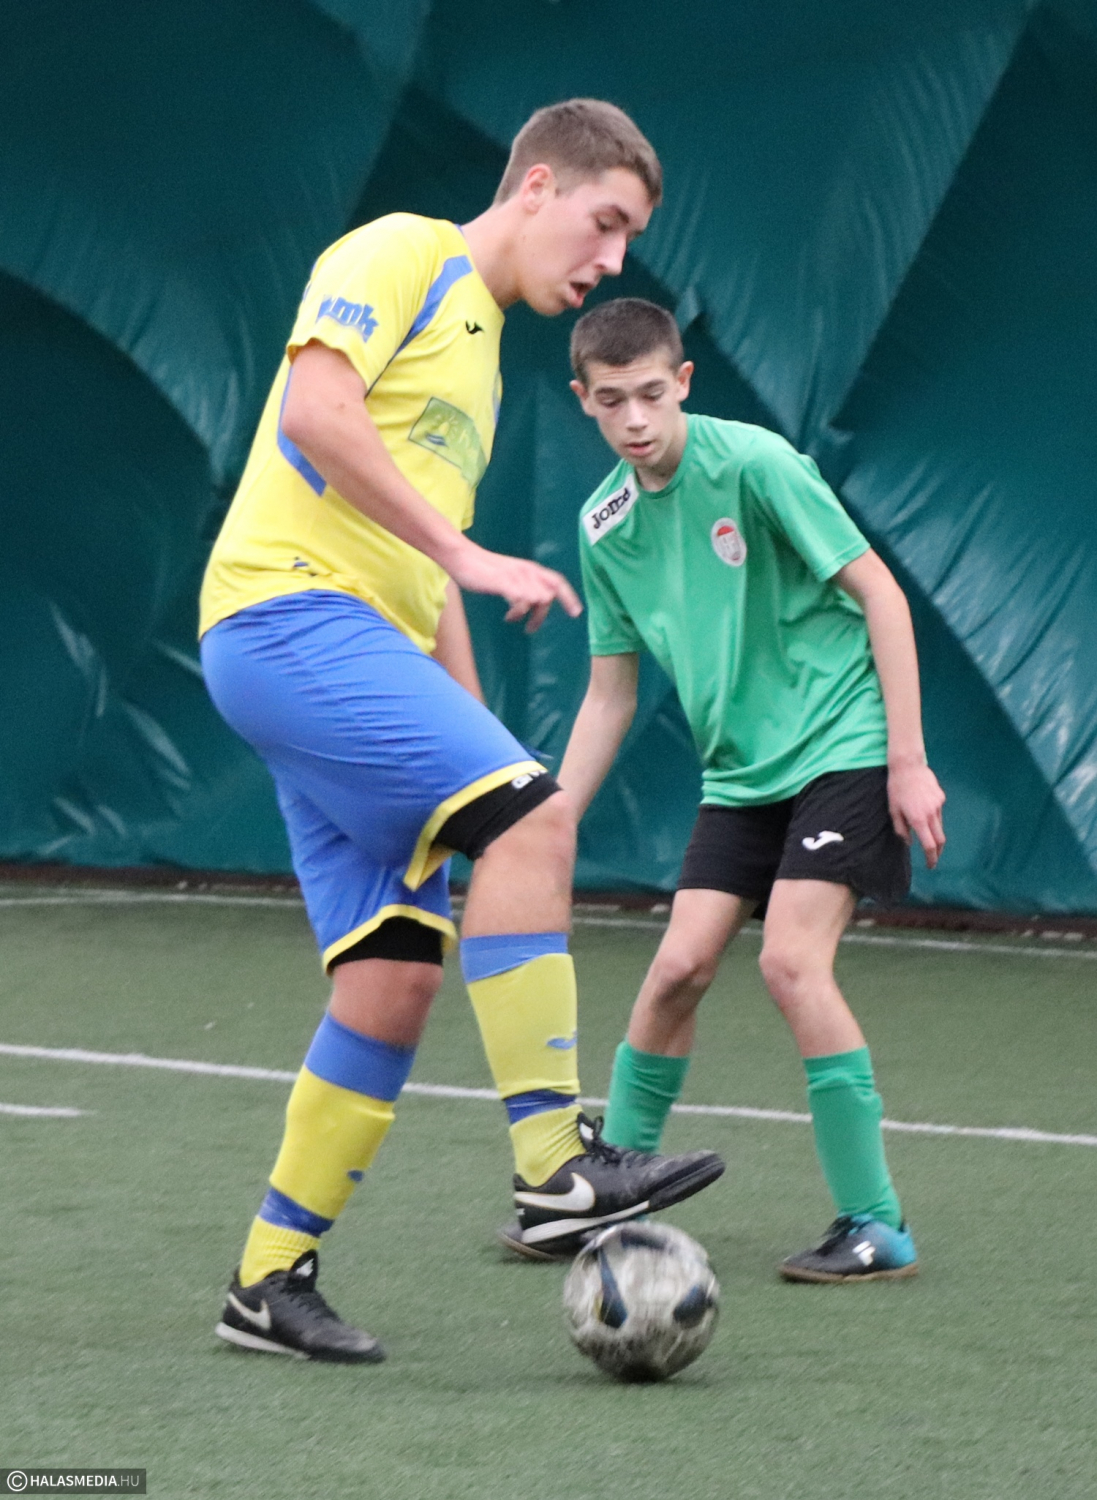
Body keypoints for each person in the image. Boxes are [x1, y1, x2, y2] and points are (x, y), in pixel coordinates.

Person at [198, 106, 724, 1362]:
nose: (612, 260)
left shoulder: (479, 362)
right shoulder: (400, 252)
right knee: (534, 818)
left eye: (628, 240)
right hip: (284, 617)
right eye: (603, 222)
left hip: (347, 647)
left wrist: (477, 721)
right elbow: (313, 414)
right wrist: (469, 554)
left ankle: (267, 1282)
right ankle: (553, 1167)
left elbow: (421, 575)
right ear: (535, 185)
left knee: (392, 978)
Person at [550, 296, 945, 1283]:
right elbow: (608, 694)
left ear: (682, 382)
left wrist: (905, 760)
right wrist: (550, 820)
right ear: (582, 400)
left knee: (789, 962)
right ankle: (611, 1186)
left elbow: (881, 595)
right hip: (738, 773)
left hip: (842, 743)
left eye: (651, 393)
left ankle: (875, 1223)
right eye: (611, 400)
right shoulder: (603, 526)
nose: (635, 418)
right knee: (676, 969)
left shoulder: (757, 464)